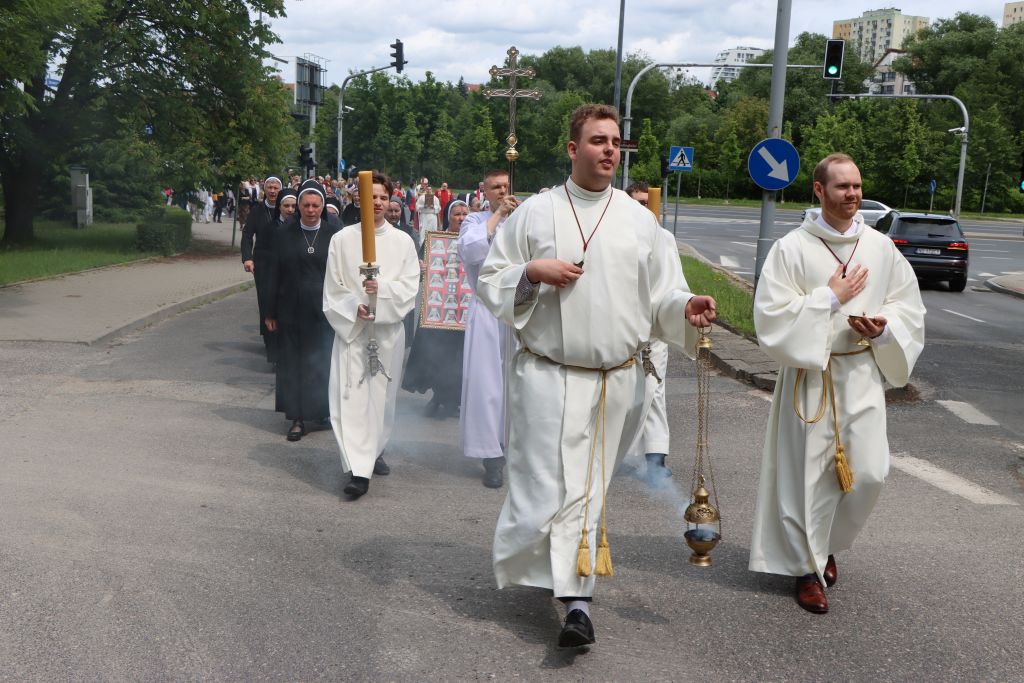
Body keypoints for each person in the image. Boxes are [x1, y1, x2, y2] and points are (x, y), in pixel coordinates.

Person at [476, 103, 717, 648]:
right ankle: (553, 572)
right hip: (546, 376)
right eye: (597, 140)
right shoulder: (535, 214)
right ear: (573, 148)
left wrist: (686, 307)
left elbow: (663, 294)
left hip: (614, 382)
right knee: (543, 490)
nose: (609, 150)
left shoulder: (640, 222)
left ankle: (577, 602)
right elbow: (492, 280)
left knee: (586, 490)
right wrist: (531, 273)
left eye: (615, 142)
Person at [748, 153, 925, 614]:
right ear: (819, 190)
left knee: (869, 473)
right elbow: (769, 315)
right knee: (809, 479)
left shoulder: (880, 247)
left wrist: (884, 329)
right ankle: (807, 570)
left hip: (861, 373)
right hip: (811, 377)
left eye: (857, 186)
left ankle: (826, 544)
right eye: (843, 186)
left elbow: (907, 306)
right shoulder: (791, 248)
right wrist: (829, 298)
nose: (853, 195)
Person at [323, 172, 420, 499]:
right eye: (371, 197)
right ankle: (358, 470)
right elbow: (333, 288)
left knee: (381, 400)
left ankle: (374, 449)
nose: (377, 202)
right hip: (353, 333)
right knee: (351, 398)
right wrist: (355, 306)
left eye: (382, 197)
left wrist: (383, 290)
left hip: (387, 333)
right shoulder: (342, 240)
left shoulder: (402, 242)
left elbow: (410, 286)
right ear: (358, 199)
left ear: (390, 200)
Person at [263, 180, 342, 441]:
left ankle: (320, 412)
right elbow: (273, 273)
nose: (310, 210)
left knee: (322, 362)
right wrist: (269, 312)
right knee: (294, 364)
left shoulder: (334, 235)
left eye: (315, 205)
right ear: (298, 206)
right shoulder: (284, 234)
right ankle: (297, 418)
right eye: (306, 205)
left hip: (324, 311)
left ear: (322, 206)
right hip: (291, 310)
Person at [458, 170, 519, 489]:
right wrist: (497, 216)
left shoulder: (522, 220)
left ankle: (515, 446)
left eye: (506, 186)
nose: (502, 191)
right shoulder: (475, 220)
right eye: (496, 187)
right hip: (486, 309)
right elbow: (470, 252)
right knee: (486, 384)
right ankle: (491, 456)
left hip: (519, 307)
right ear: (484, 191)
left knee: (517, 382)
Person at [402, 200, 470, 418]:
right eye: (457, 214)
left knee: (459, 358)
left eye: (465, 214)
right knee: (438, 356)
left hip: (465, 311)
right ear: (448, 216)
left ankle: (450, 401)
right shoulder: (436, 240)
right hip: (438, 310)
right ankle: (439, 397)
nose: (461, 218)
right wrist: (420, 268)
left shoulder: (475, 240)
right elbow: (417, 271)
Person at [623, 180, 672, 479]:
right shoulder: (617, 237)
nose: (644, 208)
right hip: (626, 326)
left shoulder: (664, 238)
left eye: (647, 203)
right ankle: (623, 453)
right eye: (638, 203)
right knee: (630, 392)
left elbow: (672, 283)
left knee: (655, 388)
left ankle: (656, 456)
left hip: (654, 326)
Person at [241, 175, 284, 363]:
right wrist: (247, 258)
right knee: (266, 300)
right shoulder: (257, 211)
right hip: (263, 262)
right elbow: (247, 235)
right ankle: (269, 339)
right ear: (264, 189)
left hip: (284, 261)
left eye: (276, 187)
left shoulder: (287, 208)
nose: (273, 191)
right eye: (270, 187)